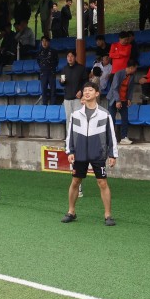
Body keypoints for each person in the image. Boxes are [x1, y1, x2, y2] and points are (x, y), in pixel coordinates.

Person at [63, 81, 119, 226]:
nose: (87, 92)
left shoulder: (104, 114)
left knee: (102, 183)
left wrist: (113, 154)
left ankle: (108, 215)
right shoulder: (75, 114)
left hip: (98, 153)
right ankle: (71, 212)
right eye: (85, 90)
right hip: (79, 153)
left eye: (90, 90)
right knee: (75, 181)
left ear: (97, 93)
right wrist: (70, 151)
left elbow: (111, 135)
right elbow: (70, 134)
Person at [107, 60, 138, 145]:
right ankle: (110, 138)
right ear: (131, 68)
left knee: (125, 118)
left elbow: (131, 89)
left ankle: (124, 137)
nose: (136, 70)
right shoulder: (118, 74)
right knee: (111, 118)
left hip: (124, 99)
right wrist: (117, 100)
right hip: (114, 99)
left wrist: (129, 99)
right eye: (135, 68)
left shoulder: (132, 76)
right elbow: (115, 88)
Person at [37, 36, 58, 105]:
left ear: (49, 42)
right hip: (43, 73)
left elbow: (56, 61)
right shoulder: (39, 52)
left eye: (46, 41)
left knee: (53, 90)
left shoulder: (53, 51)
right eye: (43, 41)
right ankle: (44, 105)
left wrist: (51, 68)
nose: (44, 43)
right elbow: (38, 61)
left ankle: (53, 105)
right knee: (44, 91)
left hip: (51, 72)